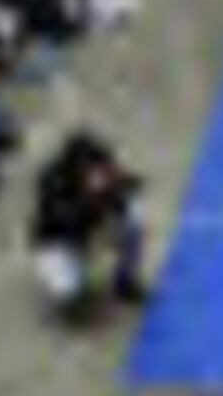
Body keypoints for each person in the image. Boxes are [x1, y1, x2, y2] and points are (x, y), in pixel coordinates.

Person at [28, 125, 150, 320]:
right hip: (58, 242)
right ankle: (70, 290)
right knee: (73, 306)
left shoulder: (104, 171)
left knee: (133, 221)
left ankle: (124, 280)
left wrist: (119, 190)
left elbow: (128, 187)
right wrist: (92, 198)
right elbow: (64, 221)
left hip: (90, 232)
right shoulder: (52, 180)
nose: (97, 171)